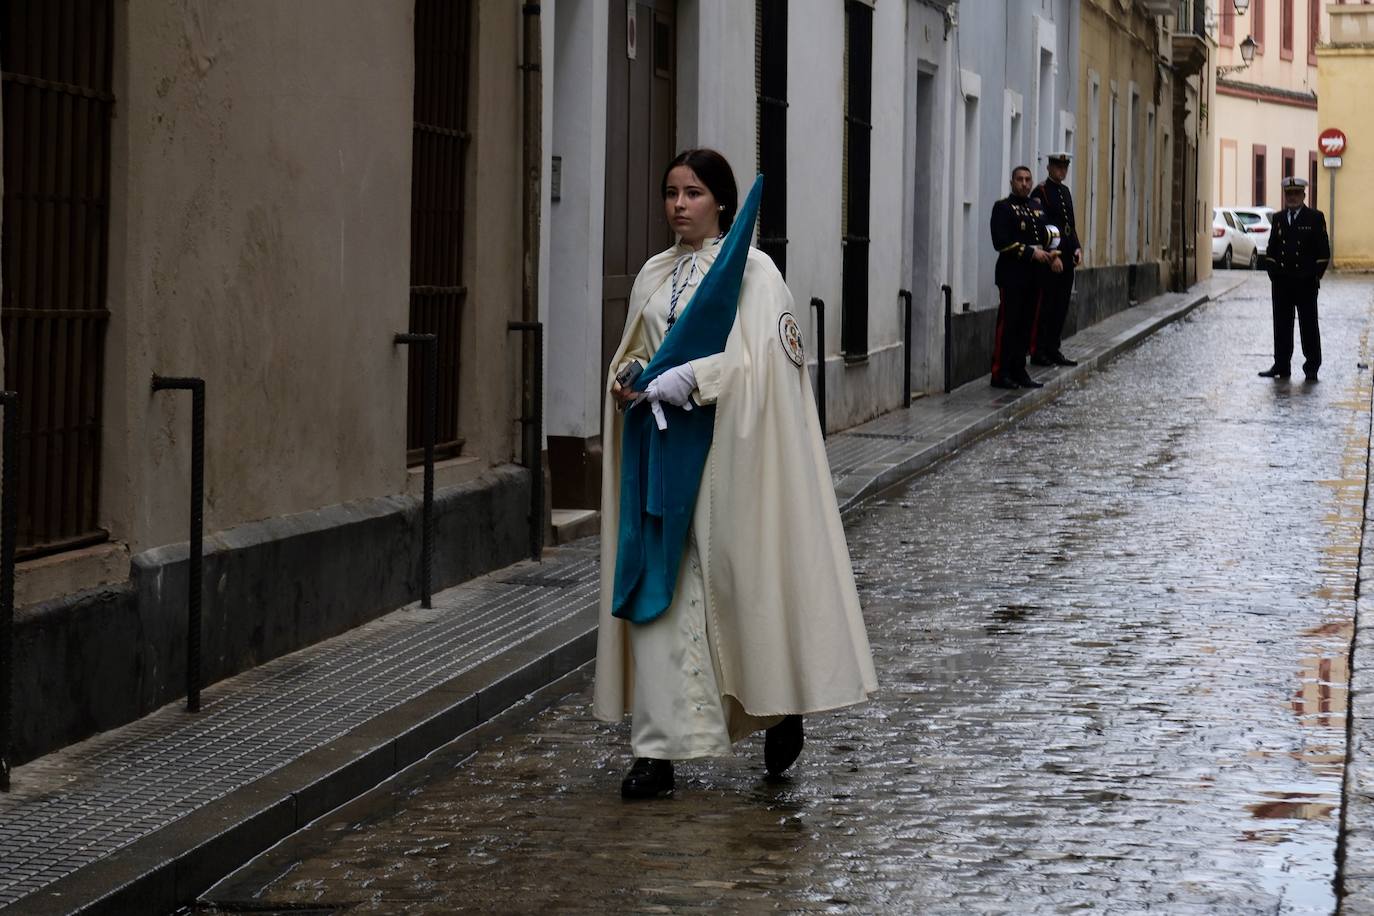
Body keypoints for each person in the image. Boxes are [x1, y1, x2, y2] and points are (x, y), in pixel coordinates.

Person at [594, 148, 877, 800]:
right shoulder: (653, 276)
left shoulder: (754, 275)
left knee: (741, 596)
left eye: (692, 192)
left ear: (720, 201)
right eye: (670, 192)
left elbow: (770, 370)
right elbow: (633, 351)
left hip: (733, 468)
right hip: (664, 470)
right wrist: (627, 379)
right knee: (661, 601)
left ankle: (778, 704)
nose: (678, 204)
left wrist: (697, 378)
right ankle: (656, 750)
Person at [989, 165, 1060, 390]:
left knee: (1027, 326)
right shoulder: (1003, 208)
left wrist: (1053, 254)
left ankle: (1019, 370)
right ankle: (1000, 372)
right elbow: (1000, 242)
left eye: (1028, 179)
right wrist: (1031, 252)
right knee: (1009, 325)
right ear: (1012, 182)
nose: (1025, 183)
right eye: (1020, 179)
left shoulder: (1036, 207)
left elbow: (1047, 236)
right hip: (1012, 276)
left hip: (1034, 277)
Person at [1260, 176, 1330, 382]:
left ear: (1303, 195)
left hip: (1305, 282)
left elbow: (1323, 252)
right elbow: (1271, 250)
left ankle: (1311, 366)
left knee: (1308, 325)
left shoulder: (1315, 218)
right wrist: (1273, 274)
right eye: (1288, 194)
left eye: (1296, 193)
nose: (1292, 197)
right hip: (1282, 283)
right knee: (1281, 325)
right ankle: (1281, 364)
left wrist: (1314, 276)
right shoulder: (1279, 219)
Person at [1029, 152, 1082, 368]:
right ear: (1049, 168)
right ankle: (1039, 351)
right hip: (1051, 260)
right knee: (1047, 306)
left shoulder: (1065, 192)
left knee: (1061, 306)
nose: (1062, 171)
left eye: (1065, 167)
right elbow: (1042, 227)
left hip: (1067, 259)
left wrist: (1077, 247)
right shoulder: (1041, 192)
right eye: (1058, 167)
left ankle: (1054, 348)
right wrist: (1053, 256)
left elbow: (1070, 225)